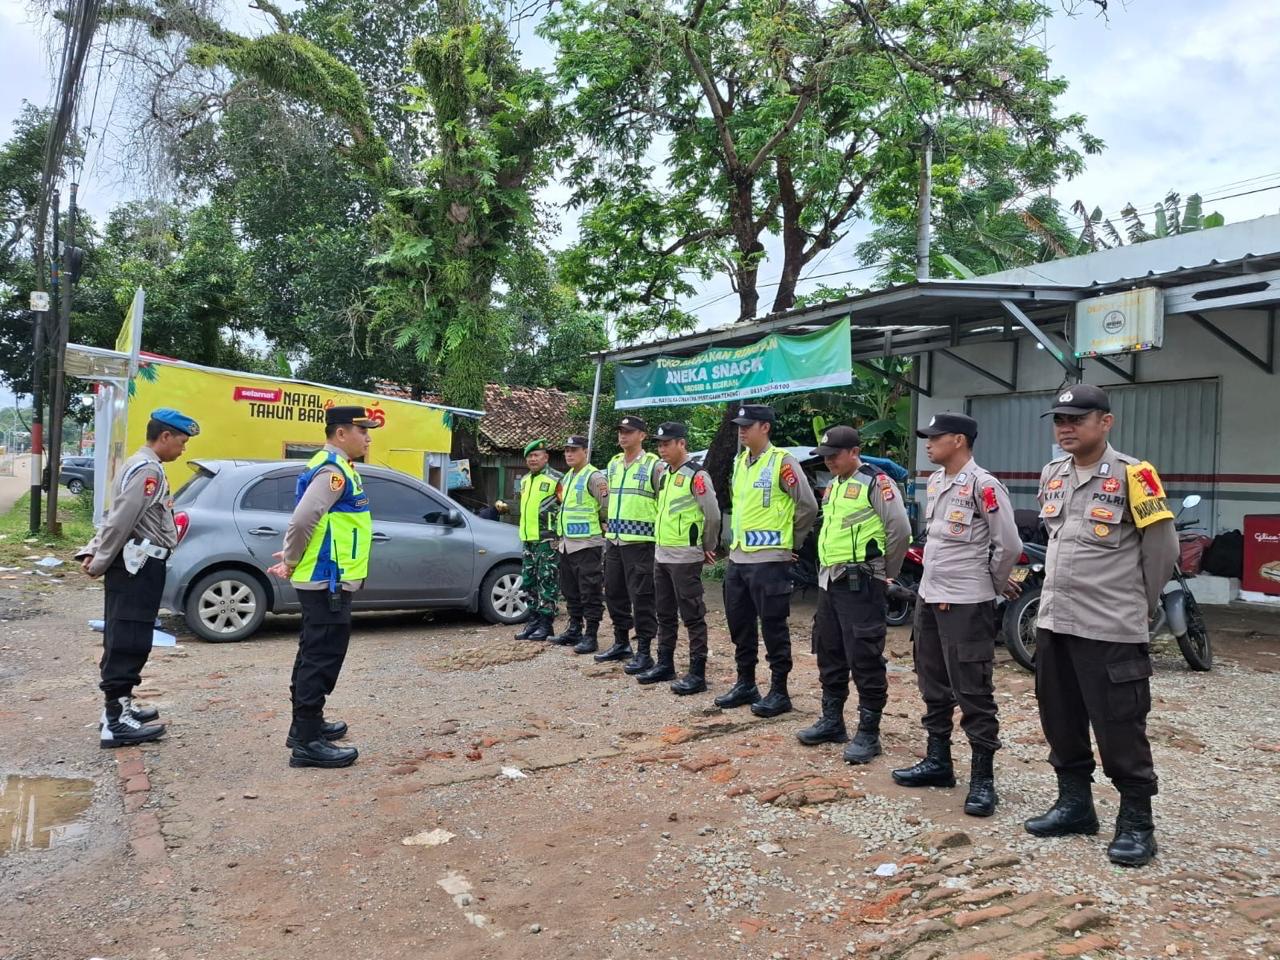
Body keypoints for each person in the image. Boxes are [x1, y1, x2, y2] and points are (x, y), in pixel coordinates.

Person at [1023, 385, 1178, 868]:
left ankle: (1136, 823)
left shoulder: (1136, 475)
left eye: (1077, 419)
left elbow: (1162, 551)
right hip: (1055, 622)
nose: (1066, 428)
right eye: (1059, 420)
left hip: (1109, 627)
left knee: (1120, 725)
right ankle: (1075, 806)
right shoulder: (1052, 474)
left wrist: (1136, 607)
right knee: (1060, 718)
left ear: (1105, 422)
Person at [891, 412, 1021, 816]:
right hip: (930, 597)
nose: (928, 444)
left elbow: (1008, 545)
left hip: (966, 603)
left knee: (973, 690)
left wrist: (991, 585)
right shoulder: (936, 481)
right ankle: (938, 762)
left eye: (936, 437)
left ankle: (982, 779)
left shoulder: (984, 485)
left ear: (960, 440)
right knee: (932, 681)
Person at [77, 408, 199, 748]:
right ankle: (116, 722)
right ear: (165, 436)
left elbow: (115, 514)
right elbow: (121, 519)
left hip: (136, 563)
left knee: (127, 635)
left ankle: (120, 708)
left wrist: (94, 549)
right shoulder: (148, 470)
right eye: (181, 442)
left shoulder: (138, 463)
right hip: (137, 565)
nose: (183, 449)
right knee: (129, 638)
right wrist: (99, 560)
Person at [267, 405, 380, 769]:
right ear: (341, 433)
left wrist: (293, 558)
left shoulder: (339, 467)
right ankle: (306, 742)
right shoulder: (333, 471)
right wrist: (291, 559)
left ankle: (307, 725)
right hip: (326, 579)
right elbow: (303, 521)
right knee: (322, 656)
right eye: (362, 431)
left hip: (327, 577)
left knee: (314, 651)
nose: (368, 437)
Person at [796, 426, 910, 762]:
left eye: (835, 455)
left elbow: (900, 530)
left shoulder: (876, 482)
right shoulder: (833, 486)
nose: (829, 461)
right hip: (830, 582)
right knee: (829, 651)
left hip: (862, 582)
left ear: (854, 452)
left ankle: (868, 734)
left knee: (864, 656)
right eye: (825, 457)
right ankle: (832, 721)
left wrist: (886, 573)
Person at [715, 404, 819, 718]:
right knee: (740, 624)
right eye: (739, 426)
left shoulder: (782, 462)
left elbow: (807, 506)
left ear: (765, 427)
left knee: (773, 626)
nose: (741, 431)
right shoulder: (740, 462)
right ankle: (746, 682)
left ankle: (779, 690)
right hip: (739, 558)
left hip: (770, 560)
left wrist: (792, 542)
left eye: (748, 426)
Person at [639, 421, 721, 694]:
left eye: (667, 444)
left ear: (681, 444)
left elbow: (712, 515)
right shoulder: (664, 474)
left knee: (692, 615)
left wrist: (707, 545)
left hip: (685, 556)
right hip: (662, 554)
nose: (662, 449)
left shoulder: (697, 475)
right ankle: (665, 663)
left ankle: (697, 673)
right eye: (659, 445)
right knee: (664, 613)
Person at [597, 415, 665, 673]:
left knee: (642, 596)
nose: (623, 436)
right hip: (614, 541)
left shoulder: (654, 465)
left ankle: (644, 651)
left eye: (628, 431)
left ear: (642, 435)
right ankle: (621, 642)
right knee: (614, 592)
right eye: (620, 431)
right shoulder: (614, 463)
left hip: (641, 543)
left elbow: (663, 501)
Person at [549, 435, 608, 653]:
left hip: (587, 544)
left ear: (585, 451)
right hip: (566, 544)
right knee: (570, 590)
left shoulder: (594, 477)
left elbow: (605, 507)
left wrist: (601, 523)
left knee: (590, 590)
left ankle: (591, 635)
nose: (569, 454)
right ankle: (574, 629)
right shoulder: (567, 478)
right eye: (566, 450)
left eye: (573, 450)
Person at [512, 439, 563, 642]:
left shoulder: (557, 479)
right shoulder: (525, 480)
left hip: (547, 540)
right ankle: (533, 622)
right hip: (528, 539)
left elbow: (564, 507)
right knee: (529, 581)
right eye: (529, 456)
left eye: (536, 455)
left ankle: (546, 625)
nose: (532, 459)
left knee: (547, 581)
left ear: (546, 457)